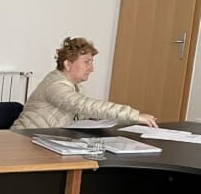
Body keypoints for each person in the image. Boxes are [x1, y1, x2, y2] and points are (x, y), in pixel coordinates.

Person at [11, 37, 159, 130]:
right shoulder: (55, 85)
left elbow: (77, 112)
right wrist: (133, 115)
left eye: (92, 62)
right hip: (24, 142)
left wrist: (92, 118)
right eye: (87, 62)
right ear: (68, 64)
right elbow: (84, 105)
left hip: (43, 139)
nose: (91, 68)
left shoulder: (75, 86)